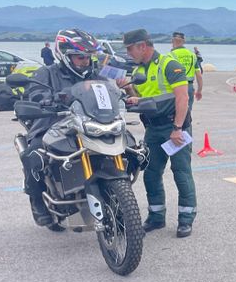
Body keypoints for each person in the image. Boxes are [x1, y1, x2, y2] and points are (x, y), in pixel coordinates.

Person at [22, 29, 103, 226]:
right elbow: (35, 92)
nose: (85, 61)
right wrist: (47, 99)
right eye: (80, 57)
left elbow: (107, 89)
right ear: (64, 56)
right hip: (52, 125)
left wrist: (123, 96)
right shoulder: (47, 73)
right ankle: (37, 200)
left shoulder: (94, 74)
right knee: (34, 156)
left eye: (88, 57)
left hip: (88, 125)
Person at [122, 28, 197, 238]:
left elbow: (182, 98)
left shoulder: (169, 65)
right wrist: (128, 91)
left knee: (181, 172)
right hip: (153, 129)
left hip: (174, 127)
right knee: (152, 173)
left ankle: (186, 219)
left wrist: (177, 129)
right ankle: (156, 217)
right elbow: (142, 97)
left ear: (142, 46)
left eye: (130, 49)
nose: (128, 53)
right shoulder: (138, 71)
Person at [170, 32, 203, 107]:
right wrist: (199, 91)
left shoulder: (170, 55)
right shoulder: (192, 55)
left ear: (172, 41)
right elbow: (199, 75)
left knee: (175, 113)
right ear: (184, 41)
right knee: (187, 112)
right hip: (189, 87)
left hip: (176, 87)